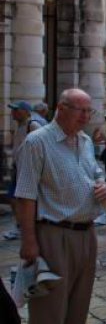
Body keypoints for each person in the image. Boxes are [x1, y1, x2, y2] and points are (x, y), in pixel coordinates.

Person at [14, 89, 106, 324]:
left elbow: (94, 173)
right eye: (79, 110)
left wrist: (103, 186)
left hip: (86, 231)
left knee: (78, 304)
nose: (85, 116)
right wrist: (29, 241)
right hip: (53, 232)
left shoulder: (85, 141)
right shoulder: (37, 142)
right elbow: (25, 195)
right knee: (49, 310)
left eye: (88, 111)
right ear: (60, 109)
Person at [5, 101, 47, 241]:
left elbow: (43, 145)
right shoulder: (19, 126)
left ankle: (23, 227)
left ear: (25, 111)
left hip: (28, 170)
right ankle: (21, 226)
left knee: (20, 199)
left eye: (16, 110)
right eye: (13, 110)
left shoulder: (33, 125)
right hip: (18, 168)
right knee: (15, 199)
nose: (13, 113)